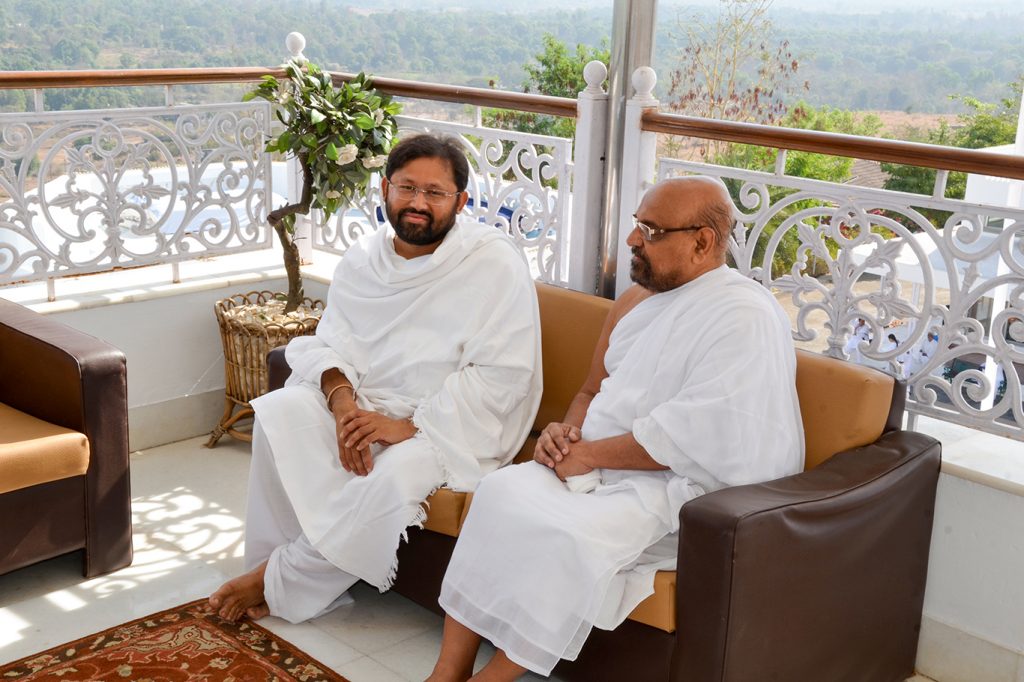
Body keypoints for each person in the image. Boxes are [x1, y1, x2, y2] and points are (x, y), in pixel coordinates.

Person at [428, 176, 804, 681]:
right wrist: (565, 432)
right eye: (636, 225)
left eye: (650, 231)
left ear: (702, 243)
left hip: (677, 487)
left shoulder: (744, 317)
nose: (632, 240)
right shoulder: (635, 300)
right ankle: (447, 670)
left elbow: (699, 436)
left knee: (566, 536)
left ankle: (491, 678)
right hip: (594, 460)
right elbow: (590, 391)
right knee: (498, 492)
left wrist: (590, 456)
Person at [209, 134, 543, 624]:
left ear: (462, 202)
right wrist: (345, 407)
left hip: (449, 424)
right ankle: (271, 556)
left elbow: (504, 377)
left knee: (393, 476)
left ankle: (276, 580)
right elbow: (331, 344)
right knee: (280, 413)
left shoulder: (492, 263)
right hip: (365, 400)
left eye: (435, 193)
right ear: (385, 189)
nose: (418, 204)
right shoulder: (364, 257)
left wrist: (405, 426)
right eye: (407, 188)